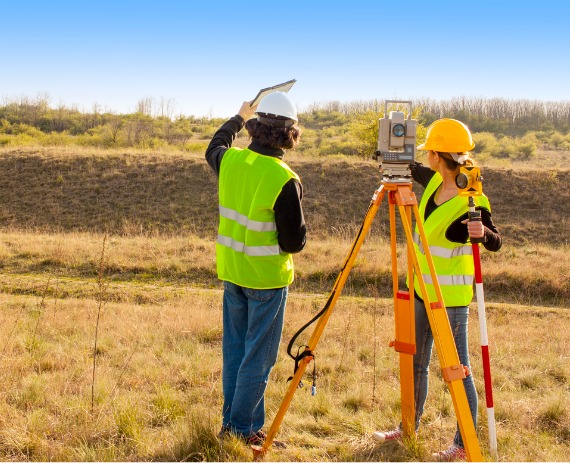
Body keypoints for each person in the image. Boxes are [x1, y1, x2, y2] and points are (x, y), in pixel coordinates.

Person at [373, 119, 502, 461]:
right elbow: (412, 169)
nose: (425, 156)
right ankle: (408, 426)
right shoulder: (433, 182)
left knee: (457, 372)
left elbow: (495, 241)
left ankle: (462, 445)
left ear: (437, 155)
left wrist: (482, 234)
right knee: (415, 362)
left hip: (450, 302)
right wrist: (389, 157)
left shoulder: (473, 198)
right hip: (419, 291)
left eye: (429, 150)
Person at [205, 92, 306, 447]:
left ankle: (235, 424)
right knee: (258, 360)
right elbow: (294, 242)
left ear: (254, 126)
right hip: (266, 281)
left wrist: (237, 116)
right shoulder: (283, 178)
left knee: (236, 352)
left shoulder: (230, 161)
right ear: (289, 134)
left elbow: (214, 146)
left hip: (233, 273)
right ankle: (241, 430)